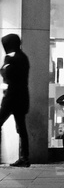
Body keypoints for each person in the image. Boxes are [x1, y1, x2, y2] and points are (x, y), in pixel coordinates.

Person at [0, 33, 29, 167]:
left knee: (19, 128)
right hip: (21, 98)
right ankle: (24, 158)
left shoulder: (14, 59)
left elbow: (7, 75)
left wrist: (6, 63)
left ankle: (24, 158)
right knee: (21, 128)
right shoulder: (23, 58)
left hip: (12, 97)